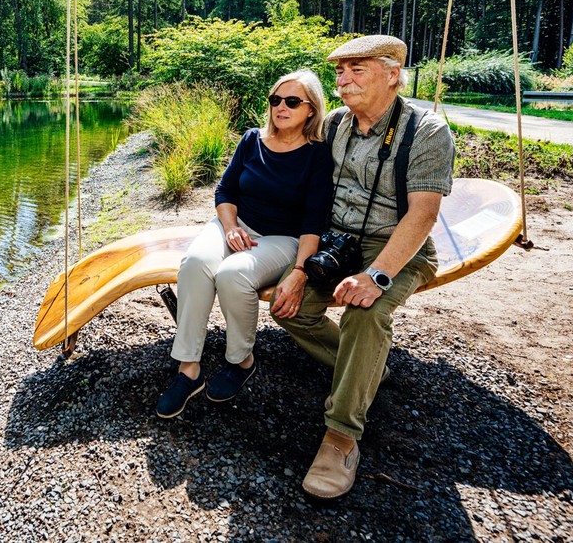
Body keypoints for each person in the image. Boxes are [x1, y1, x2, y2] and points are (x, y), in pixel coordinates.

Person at [271, 35, 455, 499]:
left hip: (397, 247)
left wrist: (376, 276)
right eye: (339, 71)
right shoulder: (334, 124)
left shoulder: (426, 130)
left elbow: (423, 215)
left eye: (357, 69)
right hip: (338, 242)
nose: (342, 80)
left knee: (366, 314)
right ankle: (365, 372)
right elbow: (297, 177)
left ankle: (341, 435)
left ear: (392, 74)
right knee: (285, 307)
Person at [156, 69, 334, 419]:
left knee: (233, 274)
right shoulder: (252, 139)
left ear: (311, 110)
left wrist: (300, 269)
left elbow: (314, 218)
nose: (280, 107)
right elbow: (224, 191)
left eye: (292, 101)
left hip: (283, 238)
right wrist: (231, 225)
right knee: (195, 264)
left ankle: (241, 359)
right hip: (234, 224)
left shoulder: (317, 154)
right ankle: (188, 369)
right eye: (275, 100)